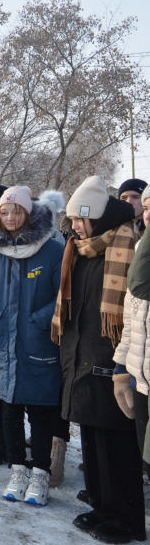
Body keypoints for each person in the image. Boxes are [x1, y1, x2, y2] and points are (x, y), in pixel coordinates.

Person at [53, 176, 145, 542]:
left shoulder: (125, 246)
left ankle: (126, 519)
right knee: (91, 436)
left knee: (115, 442)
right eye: (73, 220)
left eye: (80, 219)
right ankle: (102, 507)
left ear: (97, 218)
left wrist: (118, 358)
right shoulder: (81, 249)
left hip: (110, 357)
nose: (74, 226)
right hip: (81, 354)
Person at [0, 187, 65, 504]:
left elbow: (62, 296)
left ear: (29, 214)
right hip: (1, 342)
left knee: (40, 414)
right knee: (9, 411)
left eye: (16, 211)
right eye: (5, 212)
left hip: (37, 343)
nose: (10, 217)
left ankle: (40, 474)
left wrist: (39, 319)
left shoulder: (51, 250)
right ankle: (17, 470)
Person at [114, 186, 150, 473]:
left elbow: (138, 285)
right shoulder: (142, 248)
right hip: (141, 374)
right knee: (145, 454)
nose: (148, 215)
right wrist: (121, 365)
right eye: (147, 208)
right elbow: (132, 313)